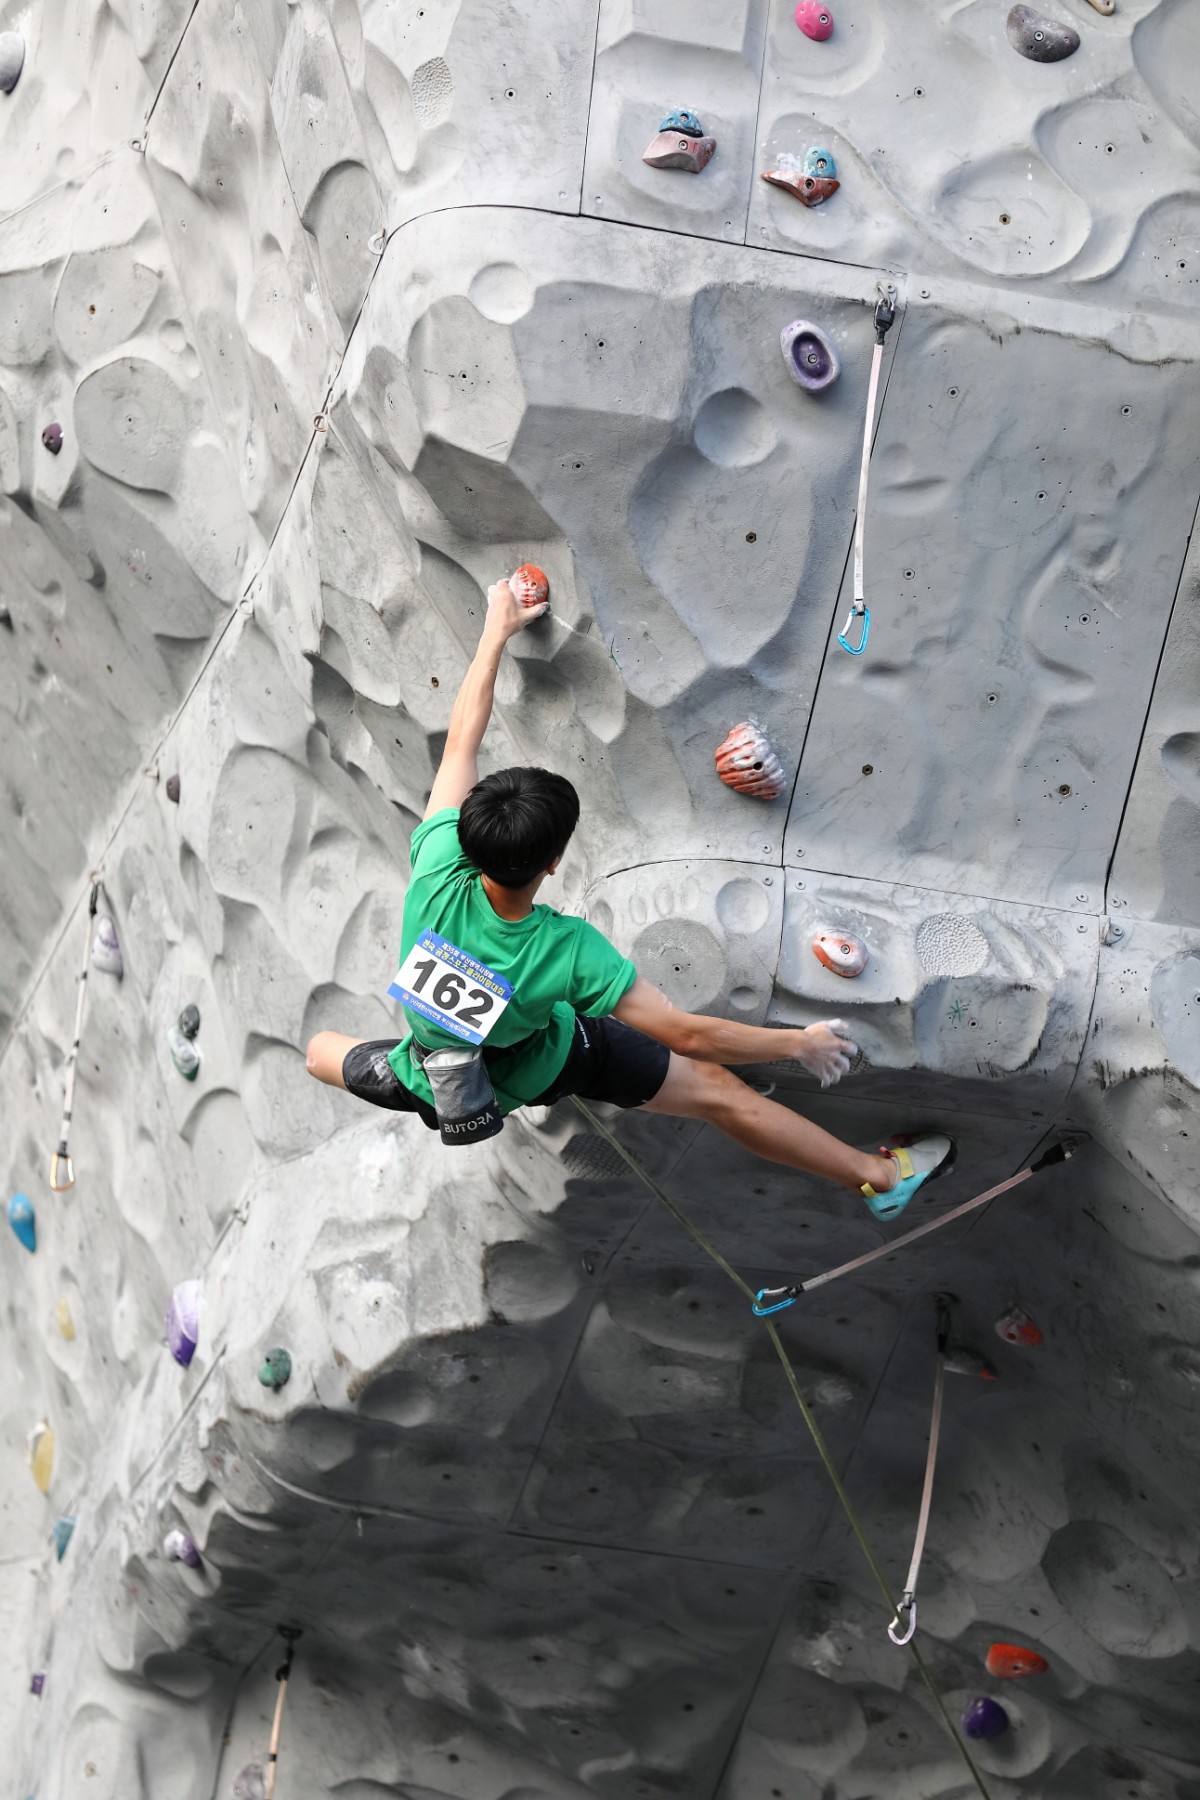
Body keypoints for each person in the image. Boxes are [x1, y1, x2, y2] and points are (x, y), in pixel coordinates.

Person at [306, 578, 952, 1216]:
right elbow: (687, 1034)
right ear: (554, 862)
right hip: (545, 1062)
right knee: (719, 1092)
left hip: (425, 1072)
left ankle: (417, 1077)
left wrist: (494, 630)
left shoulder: (438, 864)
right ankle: (882, 1178)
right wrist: (797, 1044)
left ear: (469, 832)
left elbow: (459, 744)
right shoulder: (564, 951)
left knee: (318, 1054)